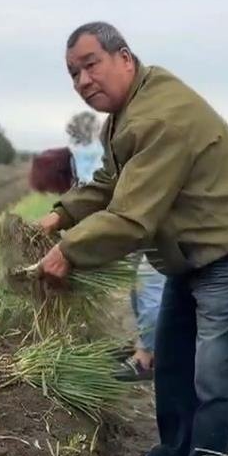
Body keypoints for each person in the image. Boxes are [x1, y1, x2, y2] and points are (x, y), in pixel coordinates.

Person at [37, 22, 228, 456]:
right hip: (188, 254)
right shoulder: (125, 117)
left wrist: (67, 251)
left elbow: (131, 218)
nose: (82, 81)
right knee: (171, 365)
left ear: (124, 58)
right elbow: (112, 184)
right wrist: (59, 216)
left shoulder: (159, 115)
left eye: (90, 65)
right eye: (73, 74)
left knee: (214, 378)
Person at [67, 116, 164, 383]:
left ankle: (148, 358)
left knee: (150, 287)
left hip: (160, 229)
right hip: (144, 225)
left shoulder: (155, 153)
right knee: (139, 287)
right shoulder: (110, 156)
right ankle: (145, 344)